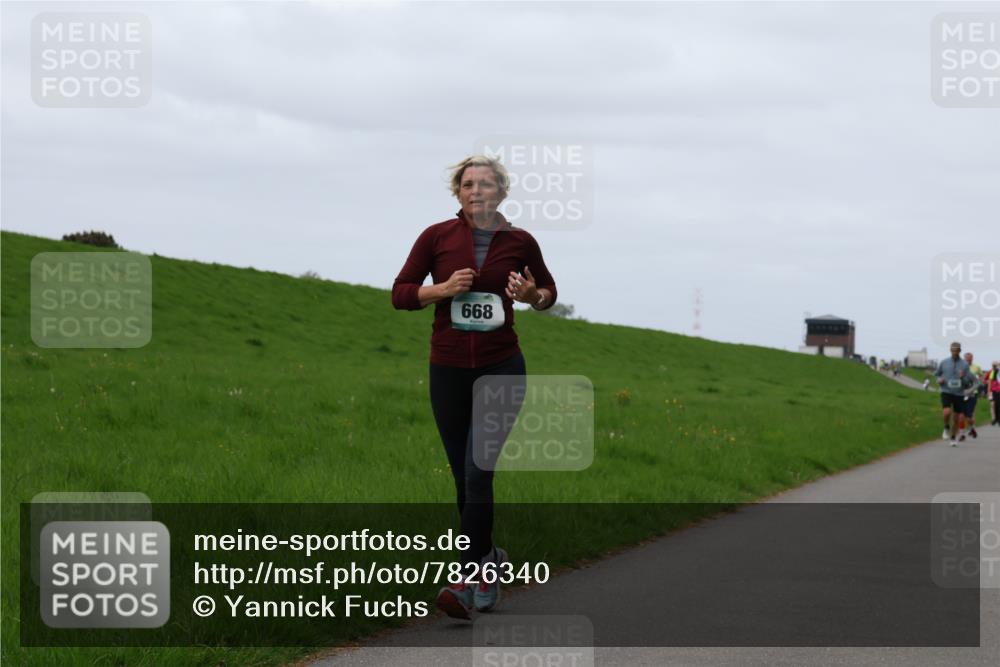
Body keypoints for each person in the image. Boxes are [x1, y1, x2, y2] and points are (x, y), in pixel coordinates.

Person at [392, 155, 558, 619]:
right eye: (468, 184)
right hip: (447, 370)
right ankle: (489, 563)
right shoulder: (436, 237)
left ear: (501, 193)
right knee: (464, 480)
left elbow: (548, 293)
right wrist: (441, 290)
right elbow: (400, 292)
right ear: (458, 192)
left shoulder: (520, 241)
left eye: (486, 184)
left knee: (478, 471)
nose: (476, 191)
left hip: (502, 367)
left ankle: (464, 581)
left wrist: (531, 297)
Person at [935, 342, 972, 447]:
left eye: (957, 350)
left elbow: (968, 382)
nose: (955, 352)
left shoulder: (964, 365)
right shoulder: (944, 362)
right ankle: (946, 427)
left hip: (959, 393)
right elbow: (937, 375)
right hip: (946, 391)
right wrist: (939, 380)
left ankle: (953, 437)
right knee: (947, 412)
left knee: (956, 418)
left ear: (960, 351)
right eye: (953, 350)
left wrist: (962, 377)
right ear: (950, 350)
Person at [958, 352, 982, 441]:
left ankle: (972, 428)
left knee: (969, 417)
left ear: (972, 358)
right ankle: (961, 434)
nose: (968, 360)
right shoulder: (959, 368)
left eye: (970, 359)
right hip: (961, 394)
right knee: (961, 415)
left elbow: (980, 378)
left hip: (972, 394)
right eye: (966, 359)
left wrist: (978, 384)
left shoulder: (976, 367)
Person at [989, 361, 1000, 426]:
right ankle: (996, 419)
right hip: (995, 390)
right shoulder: (993, 371)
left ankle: (997, 419)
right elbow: (990, 381)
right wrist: (989, 391)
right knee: (995, 404)